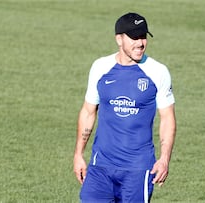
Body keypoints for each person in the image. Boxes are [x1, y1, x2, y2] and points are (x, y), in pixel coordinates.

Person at [73, 12, 176, 203]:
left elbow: (167, 118)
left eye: (143, 36)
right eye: (134, 37)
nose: (140, 43)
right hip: (100, 167)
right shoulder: (100, 67)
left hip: (138, 169)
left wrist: (164, 159)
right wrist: (79, 154)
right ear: (119, 39)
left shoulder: (158, 72)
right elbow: (88, 112)